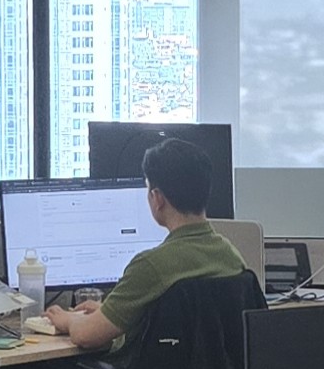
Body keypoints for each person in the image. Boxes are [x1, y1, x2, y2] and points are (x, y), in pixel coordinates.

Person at [42, 138, 250, 356]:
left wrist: (67, 320)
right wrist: (110, 312)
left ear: (157, 198)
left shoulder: (151, 266)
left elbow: (86, 336)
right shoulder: (230, 255)